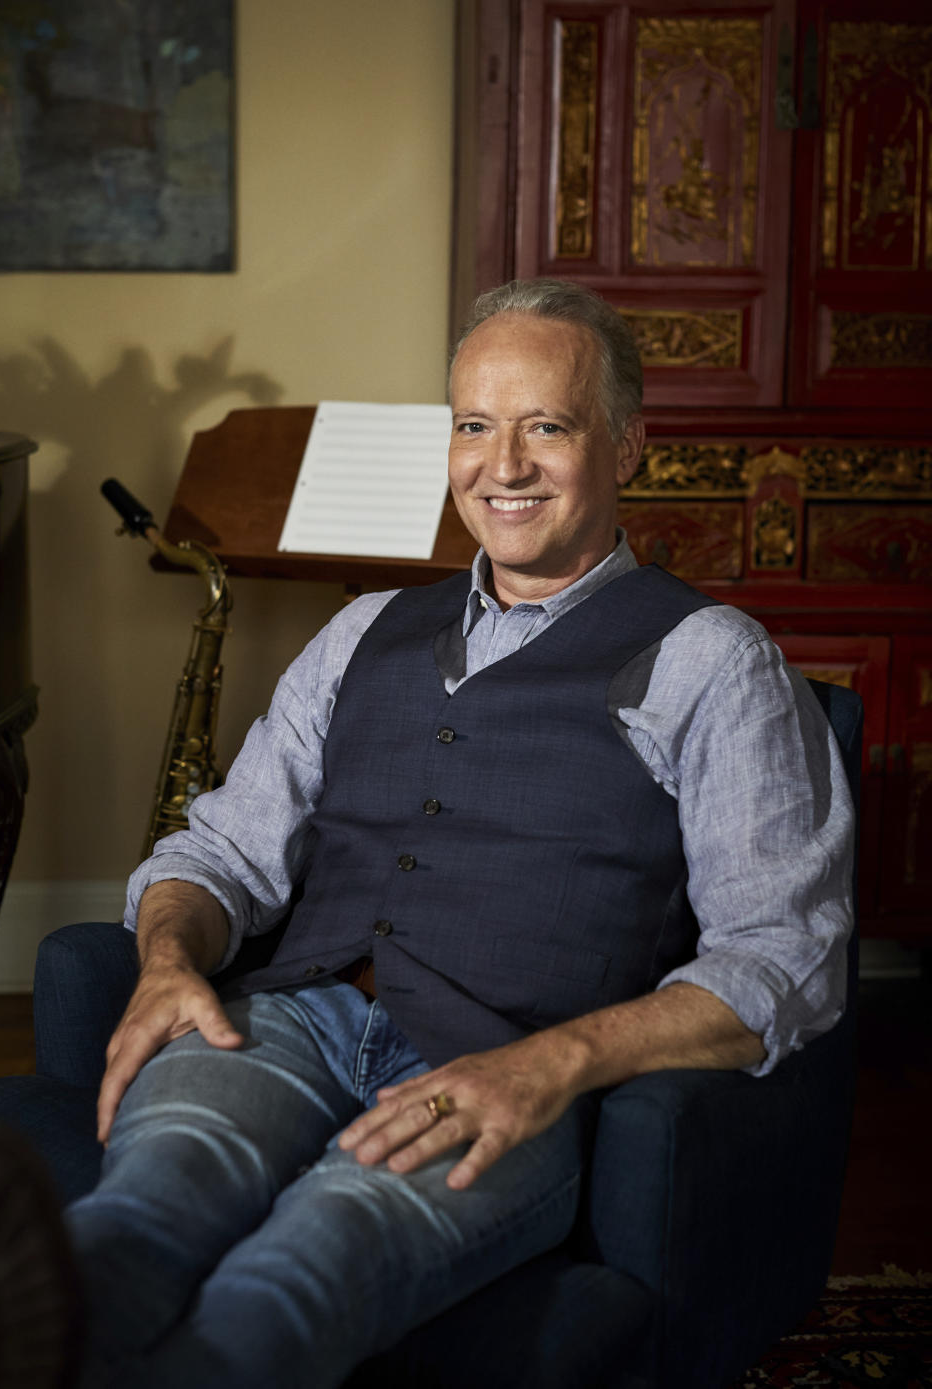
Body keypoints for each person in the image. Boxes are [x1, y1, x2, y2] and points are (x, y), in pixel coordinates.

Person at [64, 279, 854, 1387]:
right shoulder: (361, 633)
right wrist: (163, 959)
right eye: (476, 425)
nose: (504, 464)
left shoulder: (712, 661)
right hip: (286, 1024)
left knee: (296, 1278)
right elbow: (220, 853)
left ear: (628, 445)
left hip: (502, 1067)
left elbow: (784, 959)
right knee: (128, 1230)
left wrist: (551, 1066)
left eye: (548, 425)